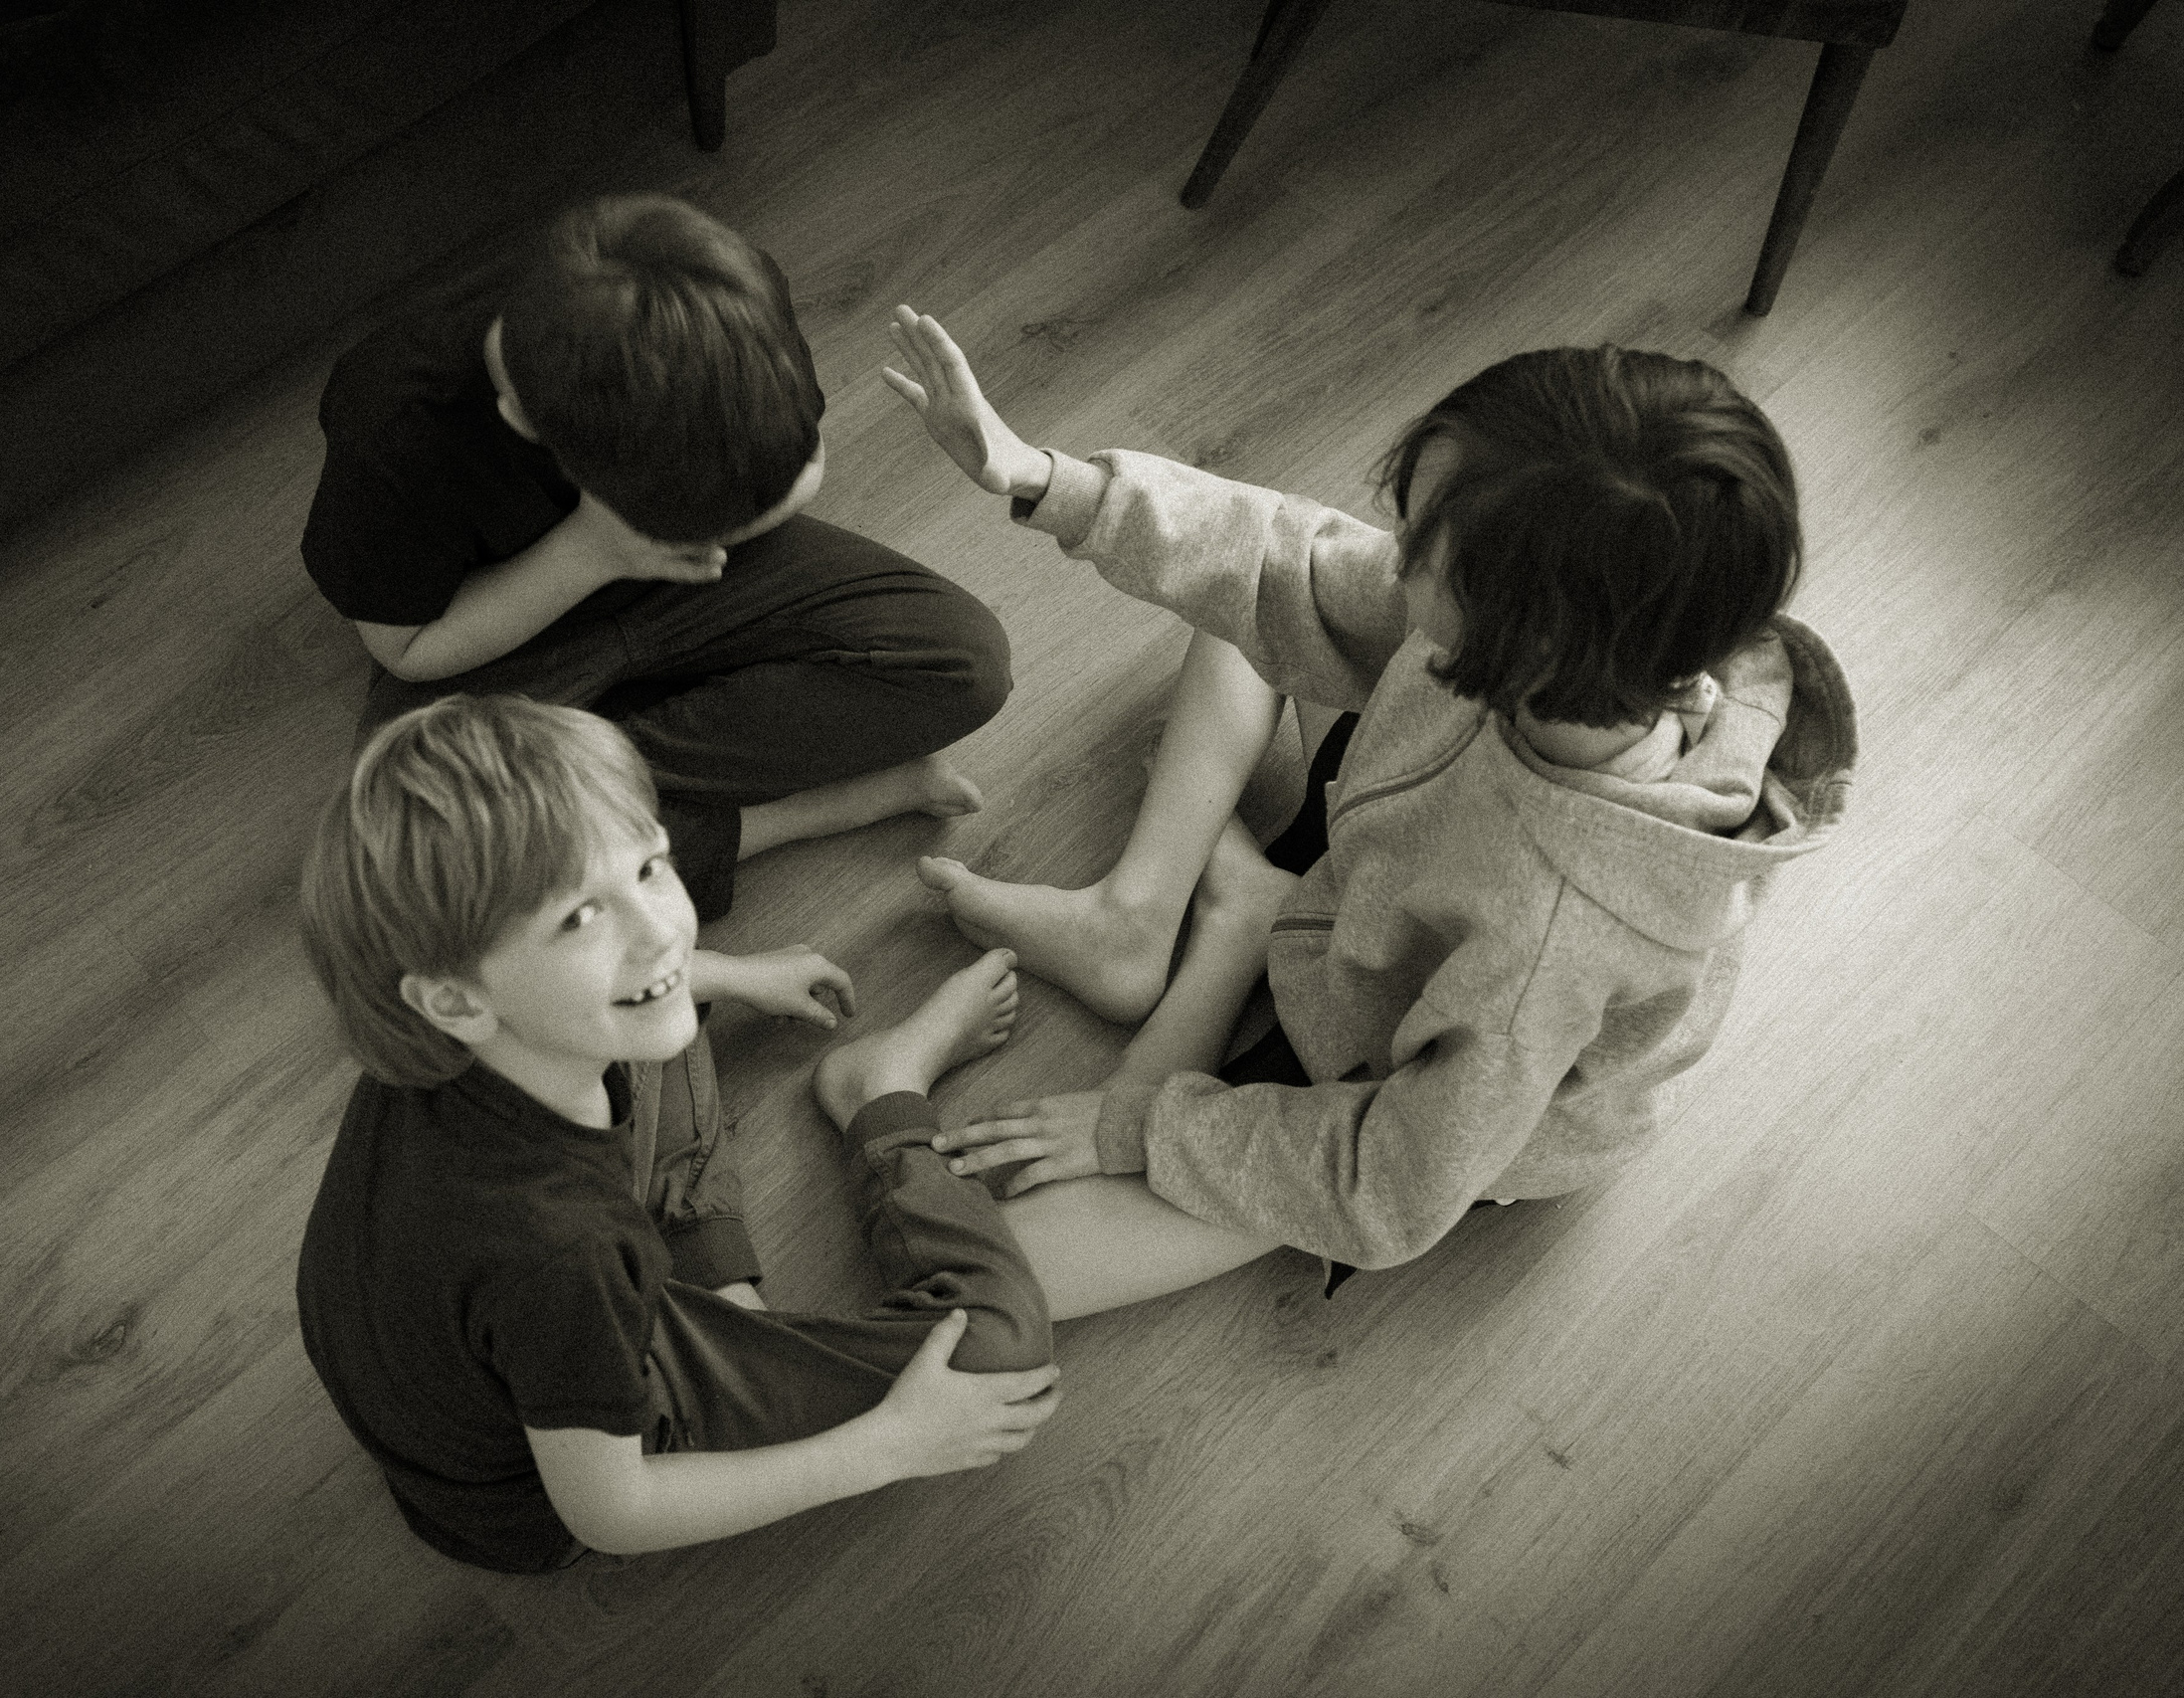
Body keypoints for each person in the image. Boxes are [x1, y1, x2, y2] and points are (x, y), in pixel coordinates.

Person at [878, 307, 1857, 1317]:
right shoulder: (1596, 646)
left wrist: (1141, 1127)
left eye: (1421, 550)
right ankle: (1143, 918)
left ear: (1516, 645)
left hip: (1407, 1092)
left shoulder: (1550, 946)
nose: (1394, 551)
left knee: (983, 1280)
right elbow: (1287, 563)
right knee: (1257, 599)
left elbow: (1392, 1184)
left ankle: (1236, 926)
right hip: (1389, 867)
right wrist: (1046, 480)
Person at [292, 693, 1057, 1572]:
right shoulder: (561, 1254)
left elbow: (624, 978)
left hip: (480, 1341)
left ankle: (715, 1295)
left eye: (650, 867)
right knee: (1002, 1349)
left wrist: (719, 975)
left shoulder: (441, 1038)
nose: (661, 928)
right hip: (544, 1477)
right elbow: (611, 1513)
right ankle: (884, 1094)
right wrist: (884, 1447)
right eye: (580, 918)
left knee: (662, 1013)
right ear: (456, 999)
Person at [299, 195, 1011, 923]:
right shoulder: (392, 425)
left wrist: (697, 529)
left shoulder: (719, 303)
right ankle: (792, 815)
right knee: (407, 858)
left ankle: (560, 793)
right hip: (509, 619)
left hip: (703, 568)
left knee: (965, 665)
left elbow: (800, 469)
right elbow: (406, 648)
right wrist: (592, 550)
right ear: (522, 420)